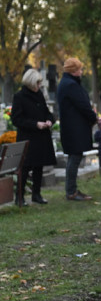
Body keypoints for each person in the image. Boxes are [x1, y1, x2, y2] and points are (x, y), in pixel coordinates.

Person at [11, 68, 56, 206]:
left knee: (38, 166)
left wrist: (49, 120)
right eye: (37, 83)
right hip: (28, 137)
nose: (39, 86)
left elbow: (46, 112)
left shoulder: (39, 95)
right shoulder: (19, 97)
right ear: (30, 82)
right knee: (25, 167)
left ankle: (36, 194)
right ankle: (20, 197)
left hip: (41, 136)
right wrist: (35, 124)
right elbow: (17, 119)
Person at [56, 58, 97, 201]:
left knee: (74, 158)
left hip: (71, 127)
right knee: (74, 158)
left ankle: (71, 190)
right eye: (79, 69)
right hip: (75, 128)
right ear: (73, 71)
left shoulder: (66, 83)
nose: (81, 71)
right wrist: (94, 118)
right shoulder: (71, 85)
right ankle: (71, 191)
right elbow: (83, 105)